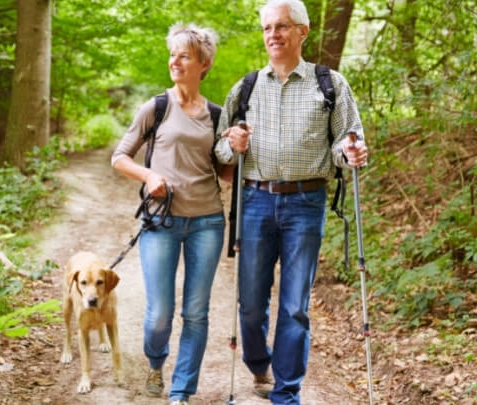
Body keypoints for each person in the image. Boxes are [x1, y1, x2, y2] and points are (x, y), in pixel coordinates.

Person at [214, 0, 368, 404]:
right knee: (250, 305)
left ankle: (286, 391)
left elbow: (347, 140)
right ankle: (258, 363)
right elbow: (220, 150)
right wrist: (232, 144)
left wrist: (352, 154)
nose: (273, 35)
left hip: (306, 202)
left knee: (296, 305)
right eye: (267, 28)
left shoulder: (329, 83)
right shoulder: (246, 87)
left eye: (282, 26)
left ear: (303, 31)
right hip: (255, 202)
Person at [111, 23, 225, 405]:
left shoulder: (215, 114)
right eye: (172, 54)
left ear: (203, 63)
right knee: (160, 312)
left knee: (196, 311)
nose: (174, 61)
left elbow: (224, 172)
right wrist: (149, 175)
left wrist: (241, 147)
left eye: (184, 55)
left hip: (207, 221)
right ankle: (156, 363)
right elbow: (120, 157)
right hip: (160, 221)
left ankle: (181, 390)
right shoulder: (156, 107)